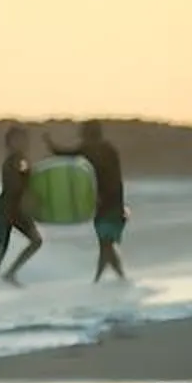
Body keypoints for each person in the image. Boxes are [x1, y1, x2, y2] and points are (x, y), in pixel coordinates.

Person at [42, 121, 131, 283]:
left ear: (88, 134)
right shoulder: (107, 149)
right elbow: (116, 179)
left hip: (106, 204)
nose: (82, 136)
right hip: (112, 202)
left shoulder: (92, 149)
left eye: (84, 133)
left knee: (106, 245)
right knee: (106, 244)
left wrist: (49, 143)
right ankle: (116, 279)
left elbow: (65, 154)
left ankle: (106, 280)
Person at [0, 122, 41, 292]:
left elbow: (27, 177)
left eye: (24, 139)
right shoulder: (15, 161)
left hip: (16, 209)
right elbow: (18, 182)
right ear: (10, 142)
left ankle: (10, 274)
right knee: (2, 248)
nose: (22, 142)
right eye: (18, 140)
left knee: (36, 241)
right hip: (5, 209)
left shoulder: (22, 160)